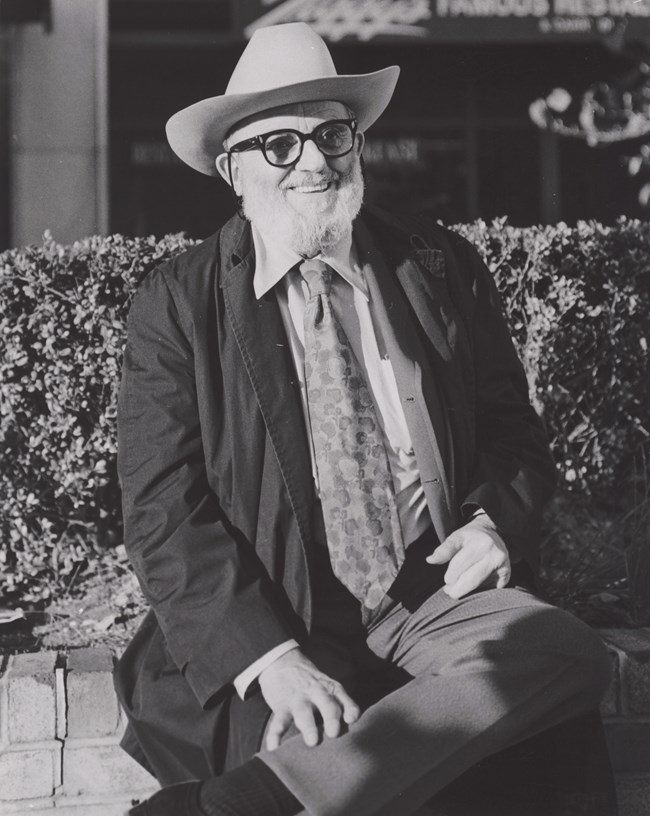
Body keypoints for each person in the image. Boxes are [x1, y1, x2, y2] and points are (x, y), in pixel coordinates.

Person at [115, 22, 614, 816]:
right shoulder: (177, 303)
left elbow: (513, 431)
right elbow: (161, 507)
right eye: (279, 144)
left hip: (429, 591)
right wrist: (270, 658)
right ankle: (300, 774)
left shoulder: (437, 266)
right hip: (286, 606)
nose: (314, 160)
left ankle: (253, 804)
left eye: (332, 135)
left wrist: (489, 523)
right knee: (311, 731)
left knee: (565, 652)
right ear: (232, 171)